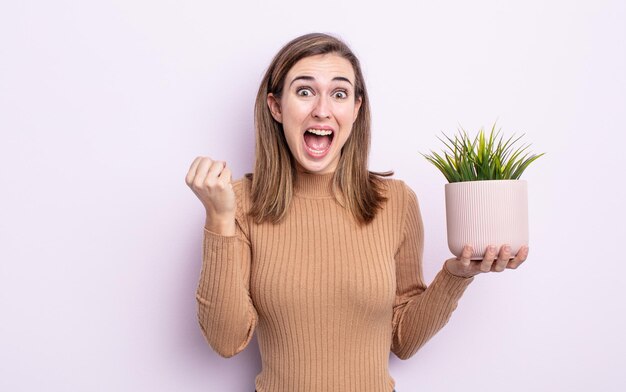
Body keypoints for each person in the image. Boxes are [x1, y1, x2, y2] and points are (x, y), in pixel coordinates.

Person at [184, 32, 528, 392]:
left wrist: (456, 275)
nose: (322, 109)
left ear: (356, 108)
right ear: (276, 106)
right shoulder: (239, 202)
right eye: (304, 91)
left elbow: (403, 340)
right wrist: (219, 221)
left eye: (339, 93)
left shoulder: (395, 202)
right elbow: (226, 341)